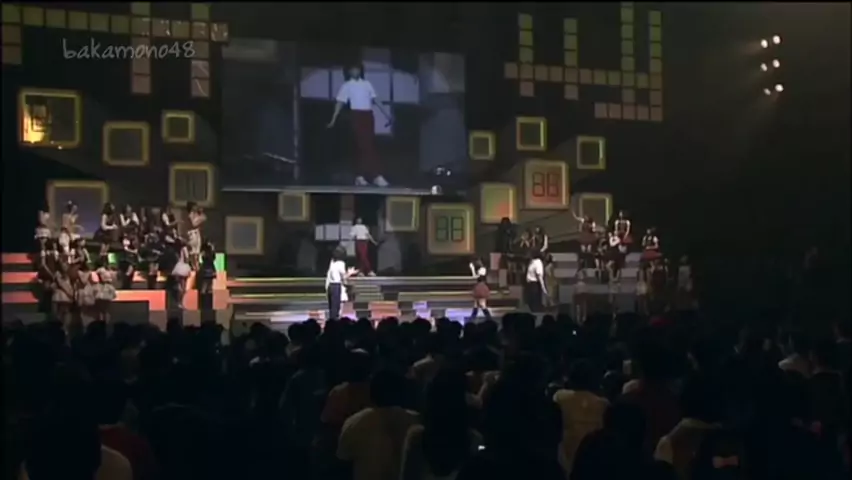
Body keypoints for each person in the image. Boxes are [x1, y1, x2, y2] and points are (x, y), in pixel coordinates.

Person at [327, 62, 392, 187]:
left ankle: (362, 176)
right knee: (364, 145)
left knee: (368, 145)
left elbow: (376, 100)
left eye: (357, 69)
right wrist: (333, 119)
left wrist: (386, 114)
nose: (355, 72)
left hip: (368, 115)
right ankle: (374, 175)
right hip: (356, 115)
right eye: (352, 70)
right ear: (348, 72)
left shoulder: (367, 84)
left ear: (360, 71)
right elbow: (339, 103)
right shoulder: (347, 85)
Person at [326, 246, 357, 320]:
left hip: (330, 286)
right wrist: (350, 273)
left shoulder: (332, 262)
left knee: (332, 307)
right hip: (336, 285)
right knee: (336, 307)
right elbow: (344, 276)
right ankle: (335, 321)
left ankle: (331, 321)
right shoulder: (341, 263)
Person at [186, 202, 206, 271]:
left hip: (197, 233)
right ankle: (193, 266)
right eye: (195, 206)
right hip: (192, 234)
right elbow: (194, 224)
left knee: (197, 251)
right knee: (193, 252)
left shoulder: (197, 214)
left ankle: (197, 266)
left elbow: (204, 218)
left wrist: (201, 214)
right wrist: (200, 219)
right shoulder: (191, 214)